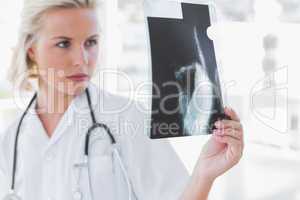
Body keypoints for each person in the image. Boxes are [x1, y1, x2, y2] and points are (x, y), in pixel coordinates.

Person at [0, 0, 244, 199]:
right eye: (63, 44)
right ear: (32, 50)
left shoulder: (127, 117)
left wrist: (204, 174)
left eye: (91, 42)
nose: (82, 59)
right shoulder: (12, 139)